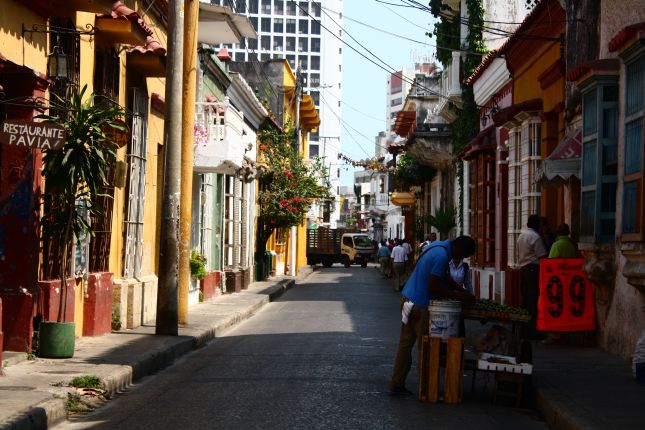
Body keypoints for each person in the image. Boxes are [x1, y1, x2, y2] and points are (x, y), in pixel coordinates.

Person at [388, 236, 477, 396]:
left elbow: (443, 277)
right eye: (463, 255)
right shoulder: (443, 257)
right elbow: (433, 285)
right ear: (458, 249)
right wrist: (458, 296)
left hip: (408, 299)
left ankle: (397, 383)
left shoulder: (436, 246)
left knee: (405, 344)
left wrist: (461, 290)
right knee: (427, 347)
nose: (461, 258)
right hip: (420, 306)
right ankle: (427, 388)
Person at [517, 214, 548, 339]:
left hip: (523, 269)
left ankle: (523, 329)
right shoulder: (535, 237)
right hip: (533, 269)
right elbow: (542, 256)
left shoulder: (522, 235)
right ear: (536, 225)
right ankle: (532, 331)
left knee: (525, 298)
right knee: (533, 300)